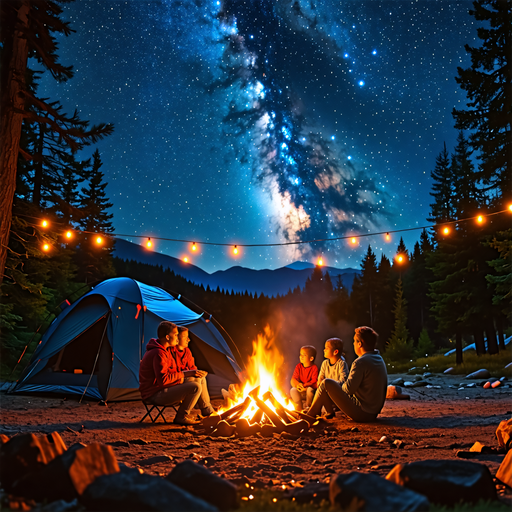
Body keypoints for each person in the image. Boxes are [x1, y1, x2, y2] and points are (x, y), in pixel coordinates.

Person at [307, 327, 387, 422]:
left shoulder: (360, 362)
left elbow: (348, 390)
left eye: (354, 341)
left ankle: (310, 415)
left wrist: (337, 387)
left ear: (360, 344)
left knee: (326, 383)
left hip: (362, 413)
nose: (353, 344)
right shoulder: (379, 359)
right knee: (328, 384)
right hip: (373, 412)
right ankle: (315, 412)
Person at [139, 321, 202, 425]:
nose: (178, 338)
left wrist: (188, 374)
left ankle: (207, 412)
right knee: (195, 387)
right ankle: (181, 417)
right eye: (176, 335)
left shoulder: (164, 351)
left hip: (161, 389)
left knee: (199, 378)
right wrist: (184, 374)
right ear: (168, 337)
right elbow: (163, 380)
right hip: (154, 394)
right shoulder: (158, 353)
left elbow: (171, 372)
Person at [173, 326, 216, 417]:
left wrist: (199, 372)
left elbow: (192, 368)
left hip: (187, 381)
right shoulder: (171, 352)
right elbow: (173, 372)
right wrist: (190, 374)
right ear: (177, 338)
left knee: (201, 378)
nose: (188, 340)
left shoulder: (187, 351)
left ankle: (207, 409)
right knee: (196, 380)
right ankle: (205, 410)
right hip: (176, 382)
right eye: (185, 337)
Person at [316, 337, 350, 418]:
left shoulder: (342, 364)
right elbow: (320, 377)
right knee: (321, 390)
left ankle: (334, 408)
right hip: (327, 392)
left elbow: (343, 381)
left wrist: (330, 385)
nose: (324, 350)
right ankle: (327, 410)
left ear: (335, 352)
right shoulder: (325, 363)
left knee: (324, 388)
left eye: (326, 348)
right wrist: (320, 382)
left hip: (337, 393)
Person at [290, 345, 319, 411]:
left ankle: (308, 407)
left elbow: (314, 381)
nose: (301, 356)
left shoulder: (314, 368)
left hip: (309, 391)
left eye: (304, 355)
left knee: (310, 390)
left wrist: (304, 386)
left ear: (311, 358)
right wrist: (298, 385)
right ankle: (299, 407)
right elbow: (293, 379)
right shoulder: (298, 366)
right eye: (300, 354)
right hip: (301, 390)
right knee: (293, 390)